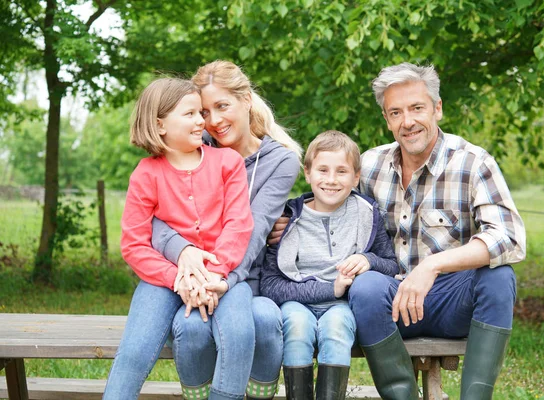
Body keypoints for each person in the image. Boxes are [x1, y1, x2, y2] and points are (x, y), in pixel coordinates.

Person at [347, 63, 527, 399]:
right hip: (389, 304)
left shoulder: (473, 162)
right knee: (366, 286)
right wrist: (288, 219)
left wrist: (432, 266)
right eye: (396, 112)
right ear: (386, 120)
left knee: (500, 276)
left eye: (417, 108)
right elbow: (332, 214)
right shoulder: (369, 166)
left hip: (449, 302)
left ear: (437, 108)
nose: (408, 121)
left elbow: (509, 237)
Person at [152, 61, 302, 400]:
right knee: (190, 327)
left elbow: (257, 226)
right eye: (204, 111)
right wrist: (184, 253)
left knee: (264, 319)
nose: (214, 121)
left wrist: (223, 281)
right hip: (189, 280)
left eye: (222, 106)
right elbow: (152, 215)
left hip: (244, 278)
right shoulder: (192, 145)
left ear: (246, 99)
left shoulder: (280, 161)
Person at [104, 77, 255, 399]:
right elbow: (134, 244)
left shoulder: (227, 162)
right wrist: (180, 279)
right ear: (160, 125)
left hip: (223, 277)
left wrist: (213, 274)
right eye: (190, 114)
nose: (202, 121)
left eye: (200, 112)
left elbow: (238, 224)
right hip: (163, 282)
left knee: (239, 334)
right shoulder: (146, 174)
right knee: (134, 351)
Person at [260, 131, 400, 400]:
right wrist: (330, 288)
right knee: (297, 327)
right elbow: (271, 284)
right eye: (322, 170)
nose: (332, 180)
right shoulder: (288, 219)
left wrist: (368, 260)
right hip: (297, 303)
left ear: (356, 177)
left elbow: (390, 265)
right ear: (308, 173)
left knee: (337, 329)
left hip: (342, 306)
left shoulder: (366, 213)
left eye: (342, 171)